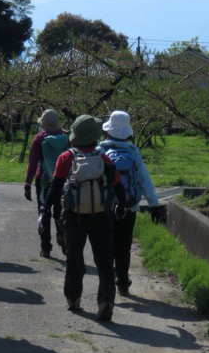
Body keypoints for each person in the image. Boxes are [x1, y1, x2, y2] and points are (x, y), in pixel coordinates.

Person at [43, 114, 126, 322]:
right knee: (105, 262)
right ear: (95, 136)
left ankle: (73, 298)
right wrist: (122, 205)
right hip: (101, 215)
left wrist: (45, 208)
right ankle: (106, 301)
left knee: (74, 258)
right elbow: (117, 184)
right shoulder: (103, 157)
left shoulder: (67, 157)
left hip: (73, 216)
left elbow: (55, 185)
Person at [99, 110, 166, 296]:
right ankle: (122, 281)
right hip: (129, 205)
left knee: (107, 243)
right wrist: (154, 205)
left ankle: (107, 281)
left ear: (108, 130)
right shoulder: (133, 151)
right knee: (124, 244)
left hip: (105, 206)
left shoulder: (101, 150)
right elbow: (145, 179)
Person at [23, 109, 70, 257]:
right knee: (60, 210)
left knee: (44, 211)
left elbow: (32, 163)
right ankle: (61, 235)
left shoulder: (39, 139)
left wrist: (27, 184)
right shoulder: (65, 138)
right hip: (62, 179)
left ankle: (45, 247)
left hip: (43, 180)